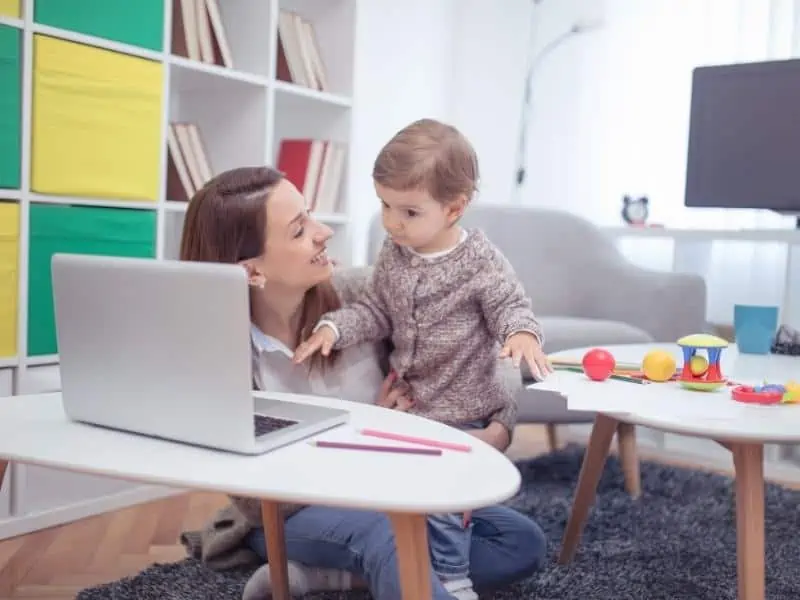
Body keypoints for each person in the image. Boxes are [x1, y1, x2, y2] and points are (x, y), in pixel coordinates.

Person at [177, 165, 548, 600]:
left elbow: (485, 342)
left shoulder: (365, 292)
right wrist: (373, 434)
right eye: (299, 230)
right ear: (251, 271)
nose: (323, 233)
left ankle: (321, 578)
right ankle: (357, 563)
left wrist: (499, 427)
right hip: (289, 514)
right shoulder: (221, 356)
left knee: (519, 541)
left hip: (397, 486)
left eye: (310, 215)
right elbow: (254, 493)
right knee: (388, 532)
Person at [292, 118, 553, 599]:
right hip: (412, 408)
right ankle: (374, 573)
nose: (392, 222)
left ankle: (452, 579)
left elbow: (511, 306)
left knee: (444, 498)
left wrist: (521, 334)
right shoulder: (395, 251)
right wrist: (335, 326)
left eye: (409, 211)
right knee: (412, 502)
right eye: (385, 206)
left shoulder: (481, 262)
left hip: (462, 406)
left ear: (454, 208)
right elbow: (375, 310)